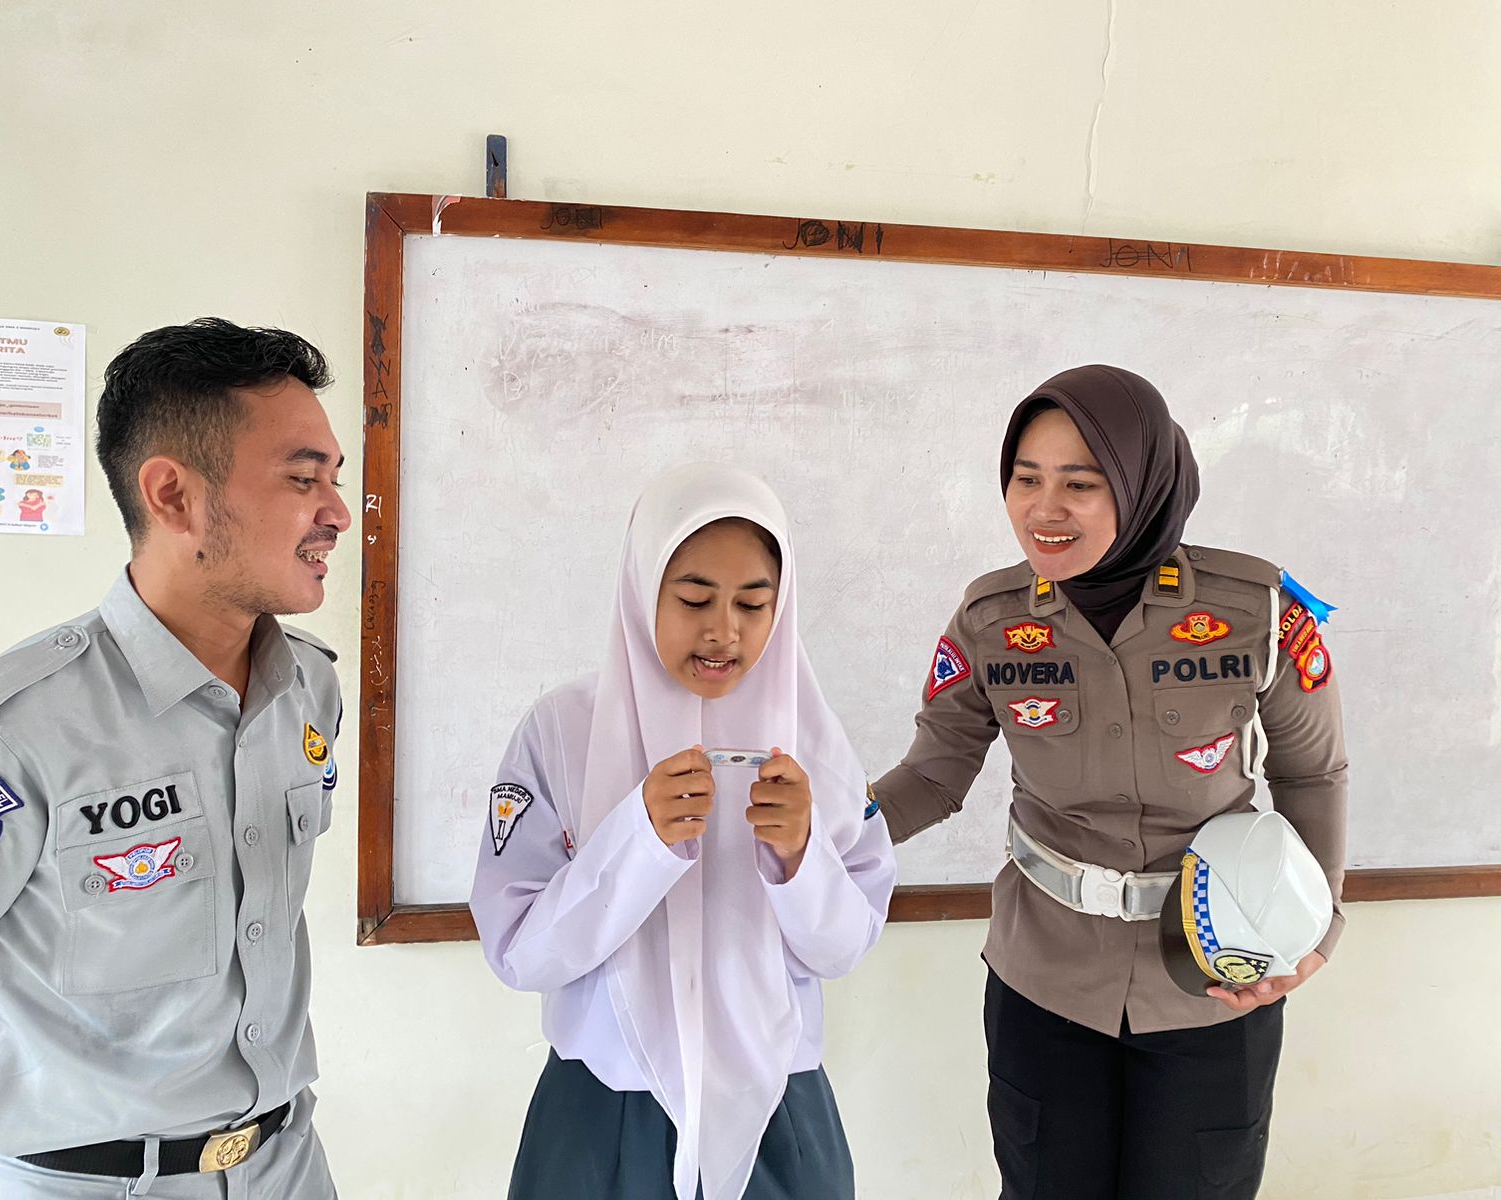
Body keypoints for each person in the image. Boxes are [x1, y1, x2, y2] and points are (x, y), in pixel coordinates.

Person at [0, 317, 351, 1198]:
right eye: (304, 479)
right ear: (173, 495)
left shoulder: (310, 688)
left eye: (335, 478)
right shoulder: (3, 732)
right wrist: (58, 1125)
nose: (336, 512)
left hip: (285, 1166)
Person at [873, 365, 1347, 1200]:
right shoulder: (990, 621)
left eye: (1080, 484)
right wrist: (828, 829)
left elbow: (1312, 773)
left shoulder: (1261, 614)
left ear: (1141, 485)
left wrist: (1314, 932)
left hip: (1215, 979)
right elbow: (933, 774)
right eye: (1026, 479)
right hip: (1044, 982)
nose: (1044, 509)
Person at [471, 463, 896, 1200]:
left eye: (754, 604)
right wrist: (637, 838)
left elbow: (843, 948)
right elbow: (519, 953)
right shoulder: (562, 732)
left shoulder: (814, 745)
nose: (723, 631)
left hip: (777, 1109)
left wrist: (800, 858)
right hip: (604, 1107)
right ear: (643, 588)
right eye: (695, 598)